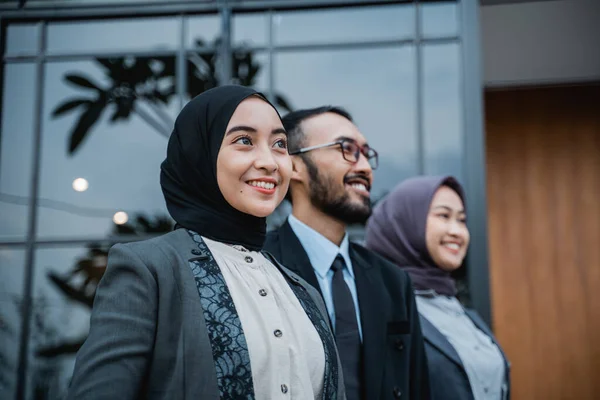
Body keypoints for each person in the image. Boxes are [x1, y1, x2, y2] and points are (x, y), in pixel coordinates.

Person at [67, 86, 344, 400]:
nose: (269, 161)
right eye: (244, 141)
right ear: (201, 153)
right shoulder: (151, 270)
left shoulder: (304, 292)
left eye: (280, 144)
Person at [264, 106, 430, 400]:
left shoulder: (393, 282)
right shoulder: (258, 265)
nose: (365, 167)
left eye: (366, 154)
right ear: (294, 166)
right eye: (347, 149)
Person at [365, 175, 510, 400]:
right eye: (444, 215)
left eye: (462, 220)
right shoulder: (380, 311)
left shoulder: (455, 306)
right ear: (404, 224)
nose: (457, 231)